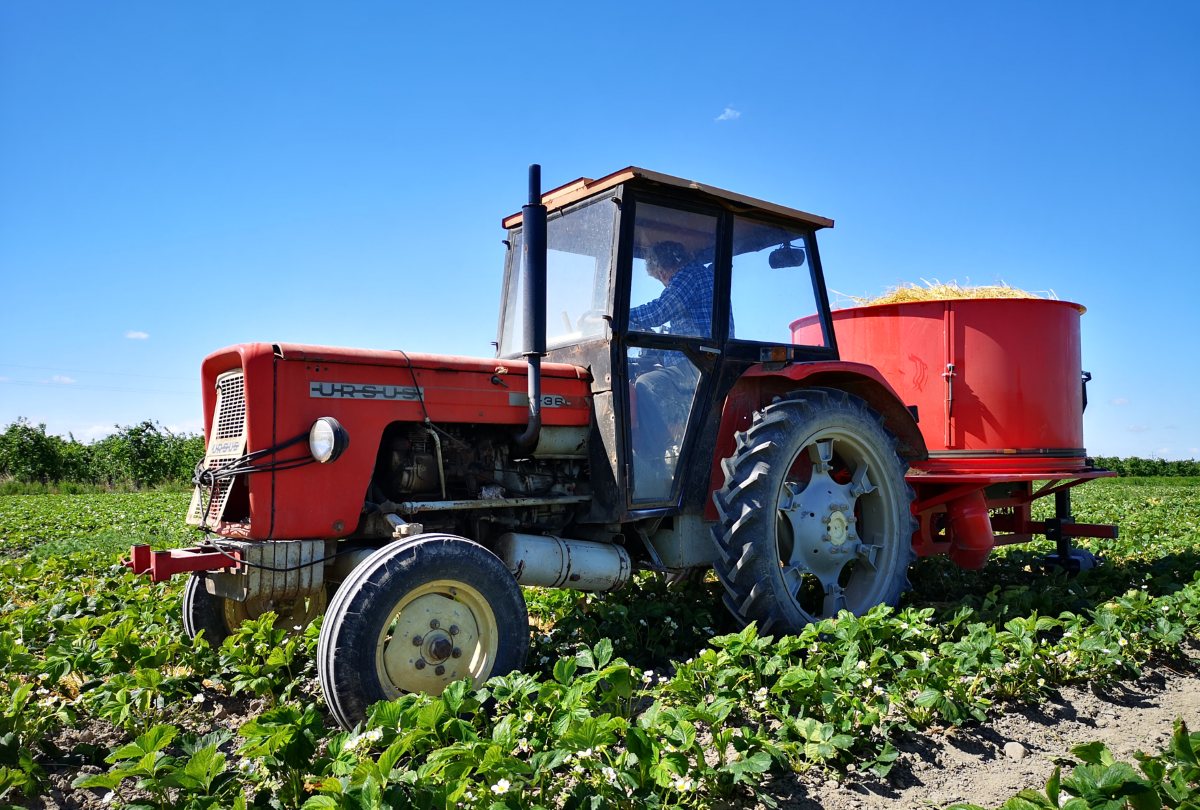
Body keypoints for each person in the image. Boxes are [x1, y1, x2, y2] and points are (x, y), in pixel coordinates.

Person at [626, 241, 731, 499]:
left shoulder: (688, 275)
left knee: (647, 384)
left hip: (701, 365)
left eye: (661, 280)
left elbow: (659, 310)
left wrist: (614, 315)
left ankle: (652, 466)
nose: (664, 284)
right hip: (698, 361)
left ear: (663, 272)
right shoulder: (700, 275)